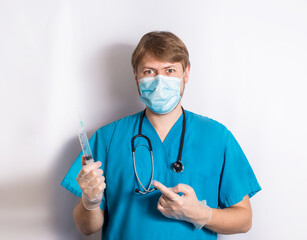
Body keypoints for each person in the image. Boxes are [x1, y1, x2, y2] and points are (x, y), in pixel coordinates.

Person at [61, 31, 262, 239]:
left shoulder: (217, 137)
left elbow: (244, 220)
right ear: (136, 77)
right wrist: (90, 201)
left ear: (186, 74)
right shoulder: (107, 138)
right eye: (149, 71)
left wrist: (200, 214)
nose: (159, 81)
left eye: (169, 70)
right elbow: (87, 228)